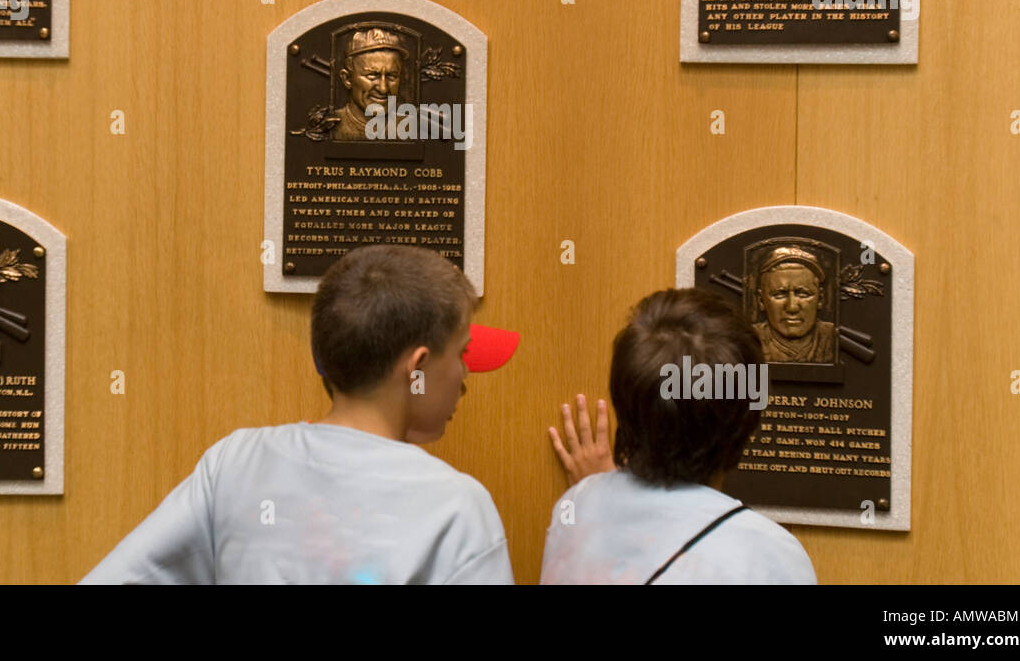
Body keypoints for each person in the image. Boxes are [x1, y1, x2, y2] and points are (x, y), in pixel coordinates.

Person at [81, 244, 515, 584]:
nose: (463, 378)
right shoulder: (457, 508)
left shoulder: (235, 464)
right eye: (462, 354)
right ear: (416, 370)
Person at [543, 288, 816, 584]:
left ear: (623, 405)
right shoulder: (770, 557)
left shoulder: (574, 508)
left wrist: (596, 492)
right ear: (747, 420)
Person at [751, 246, 837, 364]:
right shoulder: (749, 338)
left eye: (803, 294)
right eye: (779, 294)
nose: (792, 307)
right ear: (761, 300)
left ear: (820, 299)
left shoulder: (834, 339)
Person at [331, 28, 405, 141]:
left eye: (392, 76)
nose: (383, 89)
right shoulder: (329, 126)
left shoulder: (412, 127)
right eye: (372, 75)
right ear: (347, 79)